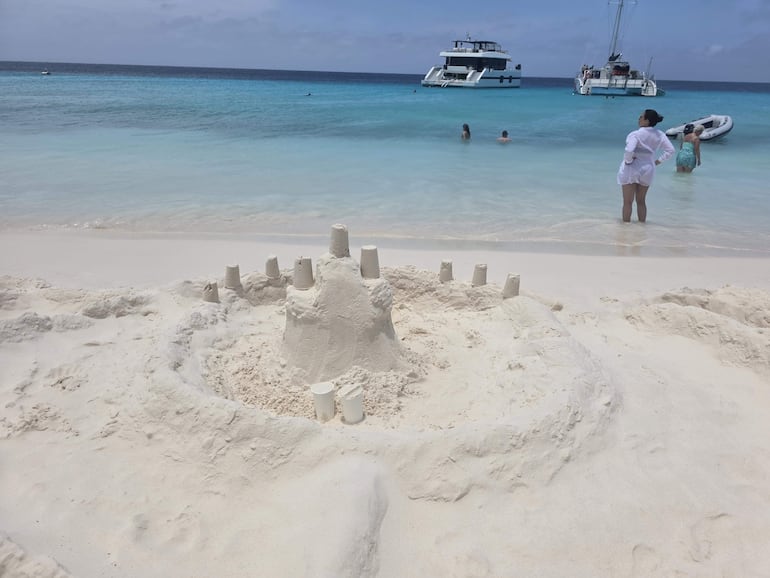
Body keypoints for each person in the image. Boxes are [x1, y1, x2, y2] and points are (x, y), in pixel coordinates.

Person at [617, 109, 675, 223]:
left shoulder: (635, 134)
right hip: (648, 168)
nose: (638, 118)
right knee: (641, 201)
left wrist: (628, 161)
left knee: (628, 202)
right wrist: (657, 161)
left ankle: (625, 229)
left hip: (632, 167)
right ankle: (641, 228)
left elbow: (629, 150)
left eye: (641, 117)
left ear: (647, 120)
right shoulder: (660, 134)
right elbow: (671, 150)